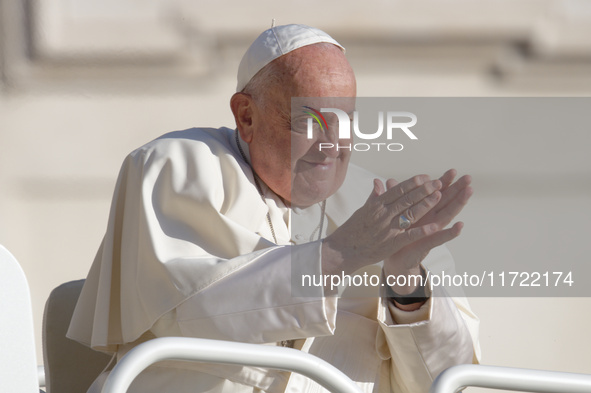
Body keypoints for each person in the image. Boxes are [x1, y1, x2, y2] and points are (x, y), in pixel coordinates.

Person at [68, 24, 480, 393]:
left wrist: (407, 288)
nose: (332, 144)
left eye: (346, 121)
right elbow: (187, 313)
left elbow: (444, 382)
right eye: (312, 121)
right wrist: (337, 256)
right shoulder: (177, 164)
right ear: (246, 116)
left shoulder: (383, 213)